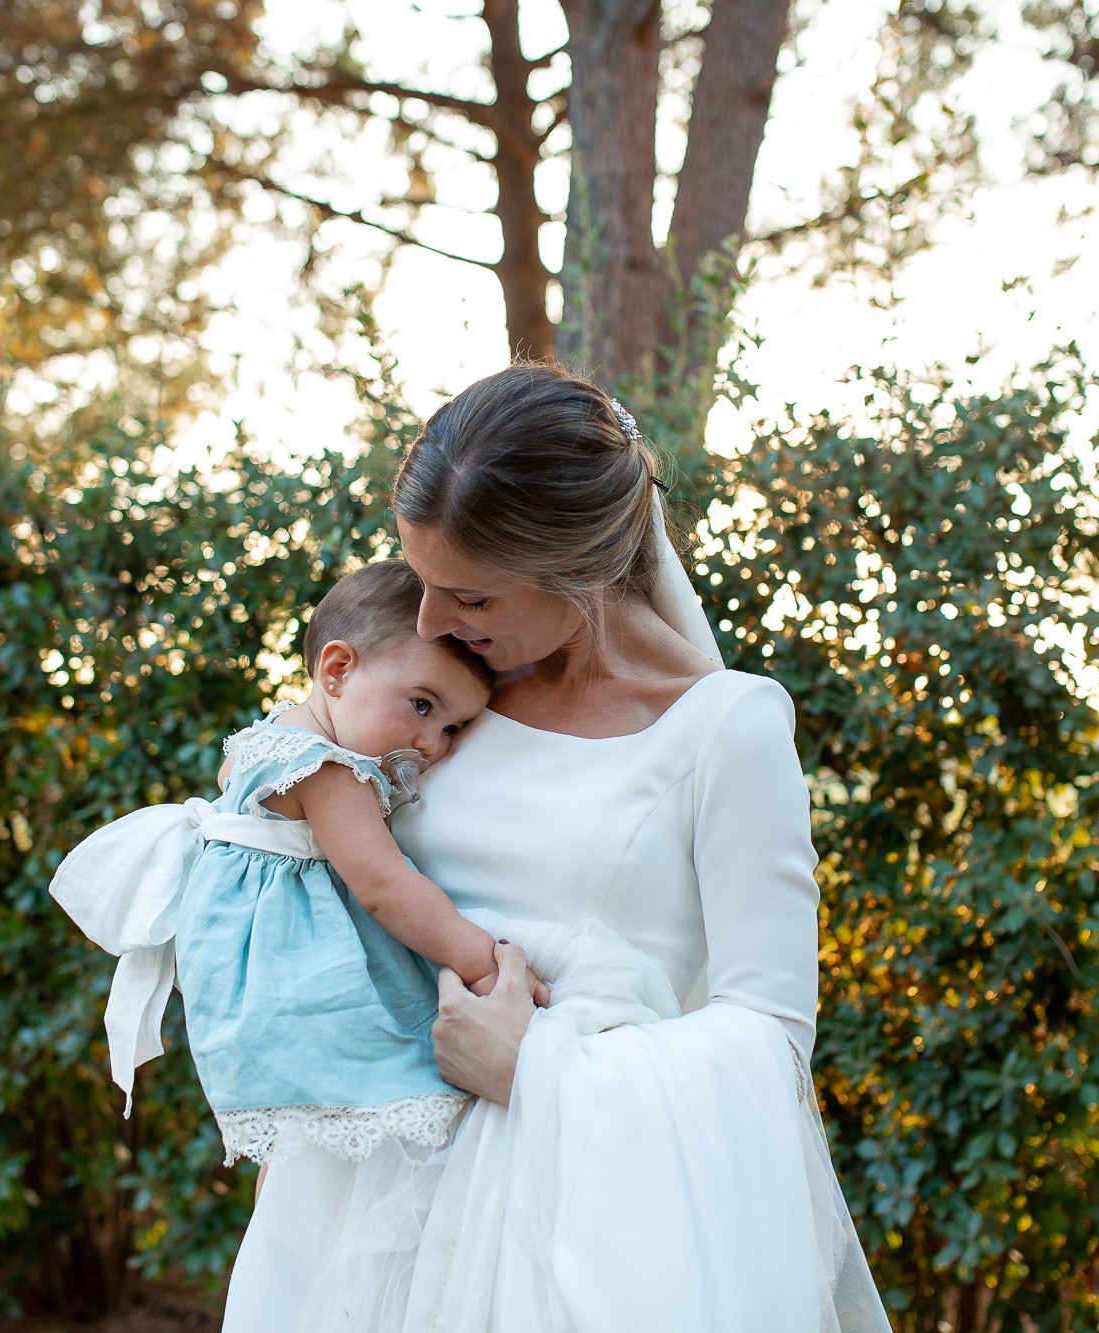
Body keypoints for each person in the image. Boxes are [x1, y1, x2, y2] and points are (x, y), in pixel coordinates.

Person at [222, 366, 895, 1332]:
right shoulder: (441, 701)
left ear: (575, 569)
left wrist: (536, 1071)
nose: (428, 624)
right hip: (356, 1204)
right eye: (421, 585)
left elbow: (772, 1043)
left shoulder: (722, 728)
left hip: (572, 1228)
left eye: (469, 598)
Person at [50, 560, 530, 1167]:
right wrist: (480, 959)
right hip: (306, 978)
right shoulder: (329, 773)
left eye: (454, 725)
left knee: (301, 1164)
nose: (434, 743)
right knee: (384, 1121)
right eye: (421, 705)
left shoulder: (268, 735)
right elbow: (384, 886)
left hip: (251, 985)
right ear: (337, 670)